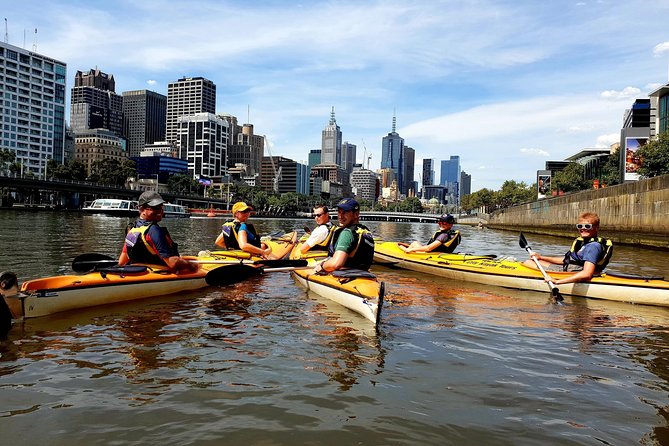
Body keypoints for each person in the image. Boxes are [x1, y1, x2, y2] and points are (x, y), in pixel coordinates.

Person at [523, 212, 613, 285]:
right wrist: (541, 257)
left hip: (572, 273)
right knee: (536, 261)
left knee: (527, 262)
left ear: (596, 228)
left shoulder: (593, 246)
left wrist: (557, 281)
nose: (583, 229)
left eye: (587, 226)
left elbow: (587, 274)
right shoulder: (584, 242)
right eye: (580, 226)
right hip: (568, 268)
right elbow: (567, 260)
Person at [118, 191, 196, 273]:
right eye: (155, 208)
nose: (160, 211)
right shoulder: (154, 231)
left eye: (161, 207)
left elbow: (122, 262)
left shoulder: (132, 229)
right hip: (158, 273)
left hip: (140, 272)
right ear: (142, 209)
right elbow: (173, 263)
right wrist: (192, 266)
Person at [313, 198, 375, 273]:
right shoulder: (365, 231)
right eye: (339, 212)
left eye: (345, 212)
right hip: (362, 274)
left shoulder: (347, 233)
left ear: (356, 214)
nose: (340, 216)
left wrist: (322, 265)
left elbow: (336, 264)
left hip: (345, 277)